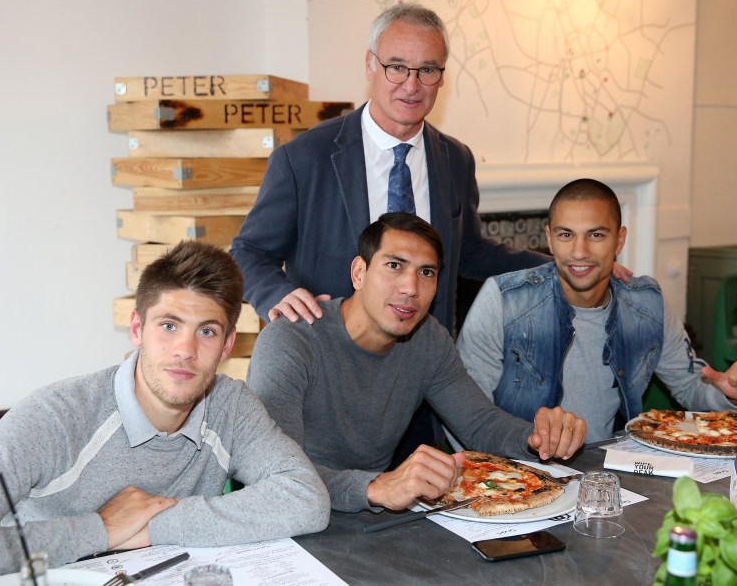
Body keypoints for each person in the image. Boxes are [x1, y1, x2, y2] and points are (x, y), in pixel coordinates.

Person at [0, 241, 330, 585]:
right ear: (136, 329)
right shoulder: (53, 417)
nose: (185, 349)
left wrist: (154, 526)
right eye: (168, 325)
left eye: (206, 331)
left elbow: (306, 499)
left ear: (226, 345)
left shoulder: (231, 405)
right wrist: (102, 529)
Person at [229, 2, 549, 331]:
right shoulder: (303, 158)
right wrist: (277, 295)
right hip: (328, 356)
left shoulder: (456, 160)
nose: (411, 85)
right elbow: (248, 251)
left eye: (427, 70)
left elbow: (470, 253)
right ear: (370, 64)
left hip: (425, 361)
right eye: (396, 67)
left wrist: (560, 267)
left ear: (441, 77)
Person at [246, 213, 585, 513]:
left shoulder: (428, 339)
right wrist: (375, 488)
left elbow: (480, 425)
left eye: (426, 272)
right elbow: (275, 472)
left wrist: (537, 438)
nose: (411, 288)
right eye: (395, 265)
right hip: (291, 522)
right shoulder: (290, 341)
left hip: (373, 520)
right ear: (359, 272)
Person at [456, 179, 737, 444]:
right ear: (549, 239)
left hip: (610, 469)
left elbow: (690, 385)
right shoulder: (502, 299)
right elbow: (465, 414)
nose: (580, 252)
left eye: (596, 235)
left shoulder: (647, 303)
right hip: (518, 472)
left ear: (619, 239)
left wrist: (728, 393)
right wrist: (529, 438)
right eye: (566, 235)